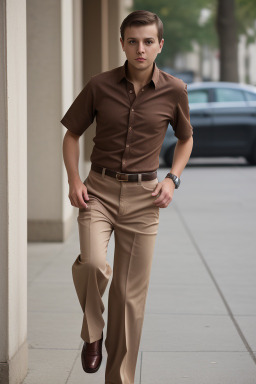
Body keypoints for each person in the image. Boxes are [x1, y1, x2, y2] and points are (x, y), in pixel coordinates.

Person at [61, 9, 193, 384]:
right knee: (91, 263)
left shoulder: (175, 90)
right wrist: (74, 179)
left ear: (160, 45)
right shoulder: (99, 85)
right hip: (98, 193)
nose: (140, 48)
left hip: (144, 198)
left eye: (148, 41)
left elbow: (186, 138)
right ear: (122, 43)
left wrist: (172, 179)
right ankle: (92, 333)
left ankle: (119, 380)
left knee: (128, 299)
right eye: (133, 41)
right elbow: (72, 134)